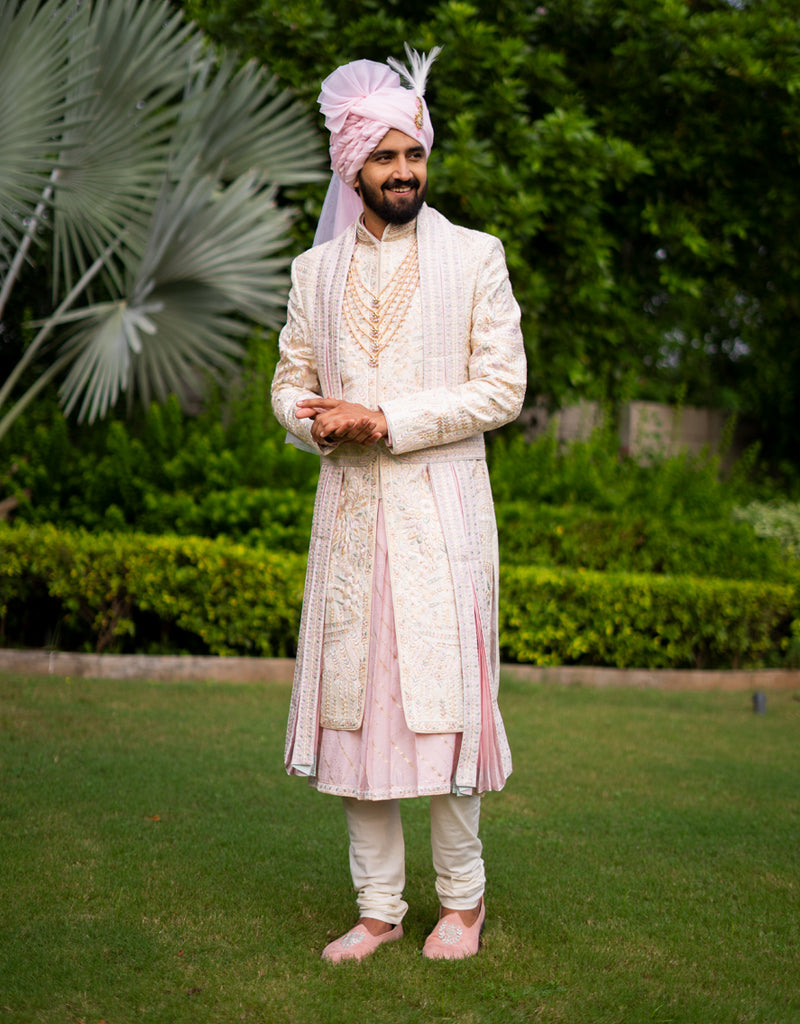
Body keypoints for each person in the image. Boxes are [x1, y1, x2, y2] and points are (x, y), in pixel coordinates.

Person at [271, 45, 526, 963]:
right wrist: (314, 422)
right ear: (353, 168)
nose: (404, 171)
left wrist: (384, 420)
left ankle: (463, 903)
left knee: (447, 709)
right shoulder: (315, 272)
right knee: (354, 716)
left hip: (441, 519)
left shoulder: (475, 257)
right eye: (384, 157)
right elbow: (288, 382)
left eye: (414, 153)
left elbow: (502, 389)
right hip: (349, 522)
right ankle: (378, 909)